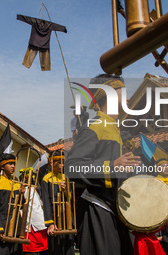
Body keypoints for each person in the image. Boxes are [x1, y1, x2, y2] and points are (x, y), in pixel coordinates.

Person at [65, 74, 141, 255]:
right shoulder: (95, 127)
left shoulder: (116, 130)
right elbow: (72, 166)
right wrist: (111, 165)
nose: (129, 98)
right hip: (98, 209)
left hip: (118, 211)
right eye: (124, 93)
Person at [0, 153, 25, 255]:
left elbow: (21, 205)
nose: (13, 166)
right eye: (10, 164)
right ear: (2, 166)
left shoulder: (17, 184)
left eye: (14, 163)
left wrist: (22, 194)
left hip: (16, 227)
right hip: (3, 226)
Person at [41, 150, 74, 255]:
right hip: (55, 219)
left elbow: (70, 198)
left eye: (63, 161)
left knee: (68, 248)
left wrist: (65, 190)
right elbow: (46, 201)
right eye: (59, 161)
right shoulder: (46, 179)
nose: (62, 164)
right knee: (56, 249)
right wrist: (50, 223)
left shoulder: (65, 177)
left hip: (66, 218)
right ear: (51, 163)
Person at [21, 167, 48, 255]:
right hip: (28, 223)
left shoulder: (37, 189)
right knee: (30, 249)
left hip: (39, 221)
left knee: (42, 249)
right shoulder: (21, 189)